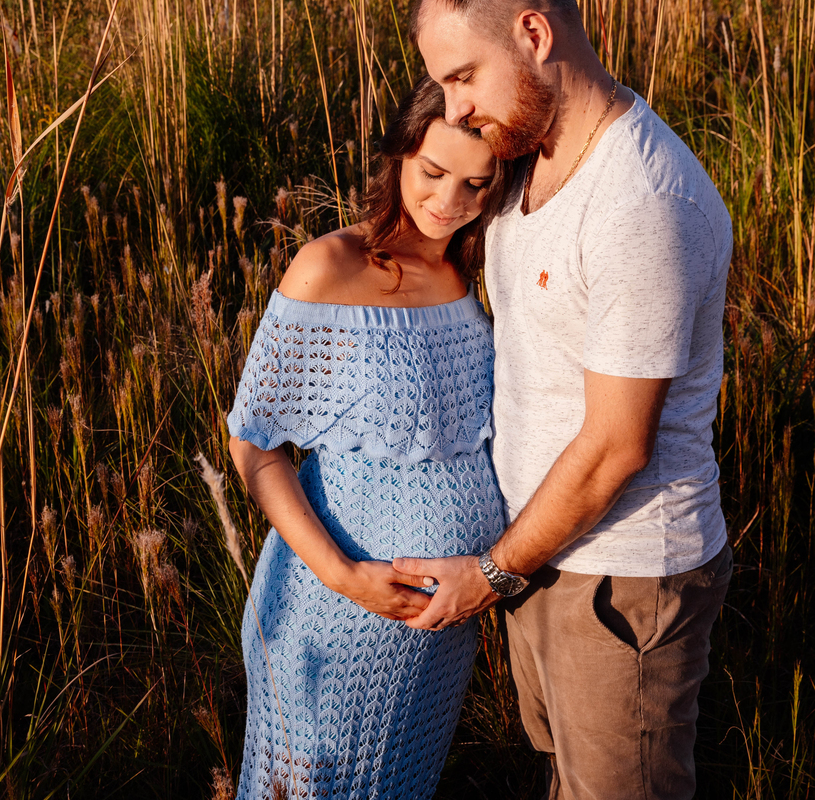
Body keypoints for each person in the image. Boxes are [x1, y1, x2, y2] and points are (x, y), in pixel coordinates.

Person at [392, 0, 735, 797]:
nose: (455, 108)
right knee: (565, 776)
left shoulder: (642, 202)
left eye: (464, 76)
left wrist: (490, 572)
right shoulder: (526, 152)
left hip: (620, 578)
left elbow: (618, 444)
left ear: (535, 34)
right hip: (543, 552)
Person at [226, 76, 513, 800]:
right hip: (336, 615)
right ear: (399, 156)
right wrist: (342, 576)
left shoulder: (472, 270)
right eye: (434, 173)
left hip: (439, 632)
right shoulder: (332, 268)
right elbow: (255, 444)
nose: (451, 201)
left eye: (477, 184)